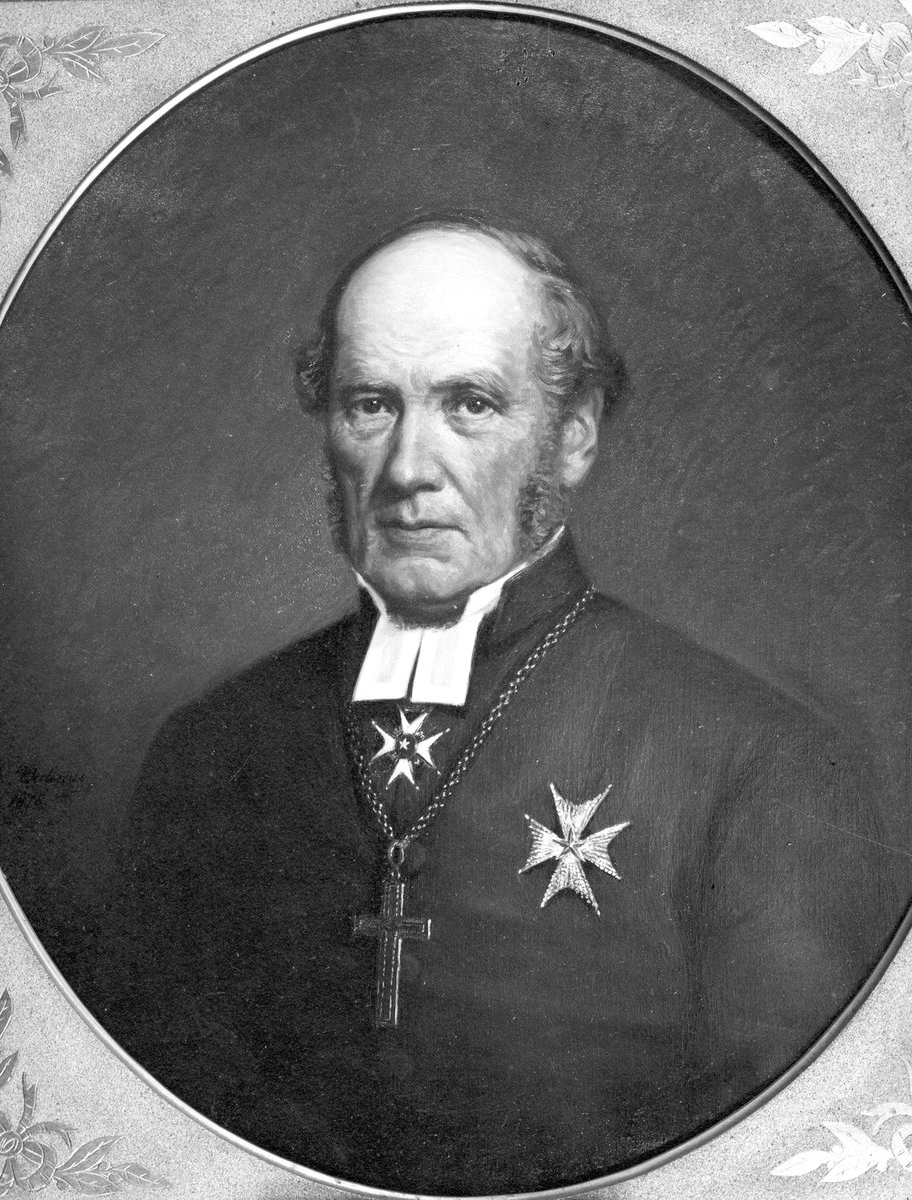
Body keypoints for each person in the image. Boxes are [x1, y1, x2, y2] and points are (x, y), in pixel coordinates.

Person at [93, 214, 900, 1196]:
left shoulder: (756, 764)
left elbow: (789, 1163)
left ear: (572, 435)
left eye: (469, 404)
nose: (407, 468)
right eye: (369, 405)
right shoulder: (209, 749)